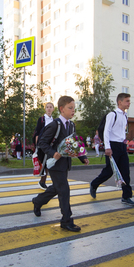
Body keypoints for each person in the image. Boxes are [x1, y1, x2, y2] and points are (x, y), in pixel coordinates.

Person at [31, 96, 89, 232]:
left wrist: (82, 157)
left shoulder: (71, 125)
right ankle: (66, 221)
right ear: (62, 109)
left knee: (57, 188)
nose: (73, 111)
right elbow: (42, 143)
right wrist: (53, 153)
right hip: (55, 164)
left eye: (74, 108)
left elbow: (74, 143)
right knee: (64, 190)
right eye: (70, 108)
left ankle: (38, 201)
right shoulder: (54, 125)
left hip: (65, 163)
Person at [89, 93, 134, 206]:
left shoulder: (125, 115)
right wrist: (107, 147)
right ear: (120, 102)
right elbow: (107, 131)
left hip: (122, 146)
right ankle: (94, 184)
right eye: (127, 101)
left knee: (125, 172)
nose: (129, 103)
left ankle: (126, 197)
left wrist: (124, 142)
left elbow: (121, 132)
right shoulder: (112, 114)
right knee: (109, 171)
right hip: (112, 146)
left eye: (129, 101)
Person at [33, 102, 55, 190]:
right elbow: (37, 133)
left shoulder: (54, 120)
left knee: (49, 163)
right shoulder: (42, 119)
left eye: (51, 107)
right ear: (45, 109)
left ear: (53, 109)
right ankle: (42, 181)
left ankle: (43, 181)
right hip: (42, 145)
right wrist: (37, 146)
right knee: (44, 163)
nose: (49, 109)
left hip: (51, 145)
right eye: (47, 107)